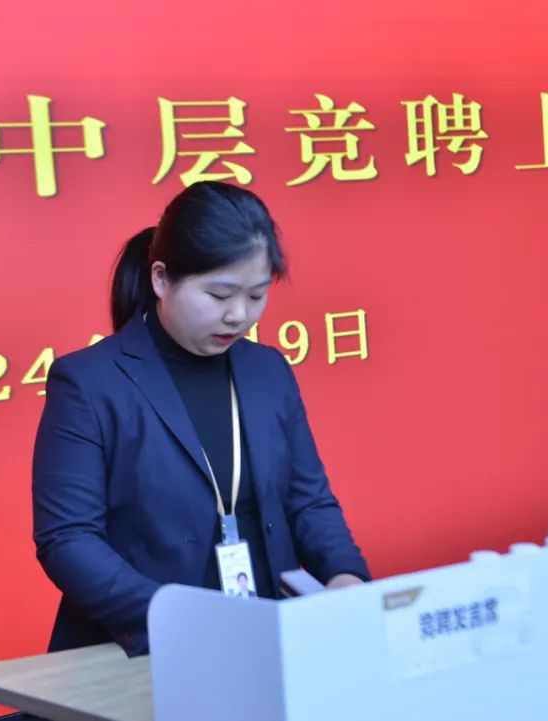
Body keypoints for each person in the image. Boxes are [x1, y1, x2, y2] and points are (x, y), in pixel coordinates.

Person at [32, 181, 369, 657]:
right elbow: (68, 540)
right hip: (144, 648)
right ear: (161, 279)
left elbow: (309, 501)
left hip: (265, 640)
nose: (239, 316)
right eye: (219, 295)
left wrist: (345, 577)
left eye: (256, 295)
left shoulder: (268, 370)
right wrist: (180, 616)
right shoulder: (90, 383)